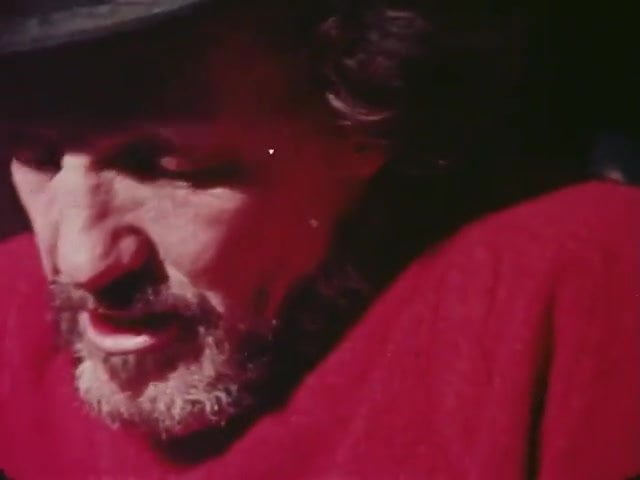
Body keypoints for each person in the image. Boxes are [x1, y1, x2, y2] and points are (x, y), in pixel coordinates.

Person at [0, 1, 639, 479]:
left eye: (167, 168)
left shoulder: (583, 283)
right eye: (38, 157)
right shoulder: (7, 309)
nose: (82, 262)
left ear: (362, 123)